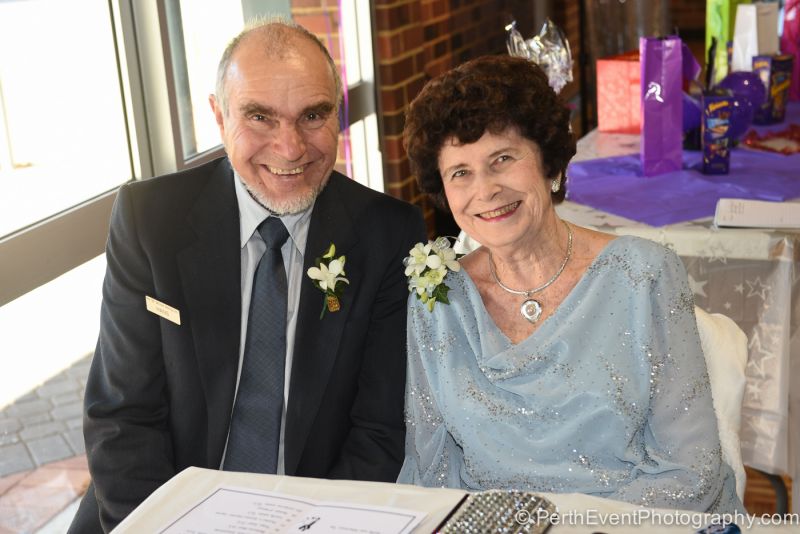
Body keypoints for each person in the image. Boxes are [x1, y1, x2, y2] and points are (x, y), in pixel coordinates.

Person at [70, 19, 426, 533]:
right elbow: (122, 416)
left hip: (312, 516)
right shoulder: (151, 221)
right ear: (219, 116)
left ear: (338, 112)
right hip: (156, 512)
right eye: (260, 117)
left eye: (313, 115)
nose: (290, 148)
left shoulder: (388, 235)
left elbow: (379, 432)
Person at [396, 54, 743, 514]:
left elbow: (690, 472)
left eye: (503, 159)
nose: (485, 189)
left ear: (549, 162)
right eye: (460, 172)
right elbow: (432, 467)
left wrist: (563, 525)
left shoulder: (644, 275)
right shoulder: (437, 298)